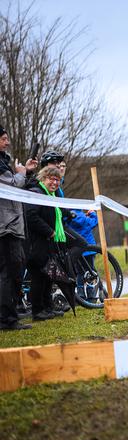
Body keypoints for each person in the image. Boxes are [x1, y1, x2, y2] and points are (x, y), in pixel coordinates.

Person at [24, 166, 77, 320]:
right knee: (38, 277)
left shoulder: (50, 196)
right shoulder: (36, 192)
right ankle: (37, 311)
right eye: (51, 179)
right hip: (36, 243)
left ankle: (47, 308)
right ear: (43, 178)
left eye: (57, 180)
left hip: (47, 243)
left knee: (48, 276)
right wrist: (50, 231)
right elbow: (31, 216)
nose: (54, 182)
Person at [0, 124, 38, 330]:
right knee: (10, 273)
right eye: (4, 138)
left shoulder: (4, 161)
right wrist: (21, 173)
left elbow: (20, 184)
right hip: (5, 227)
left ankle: (10, 315)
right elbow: (12, 186)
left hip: (12, 225)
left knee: (13, 271)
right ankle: (7, 320)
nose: (7, 142)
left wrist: (27, 172)